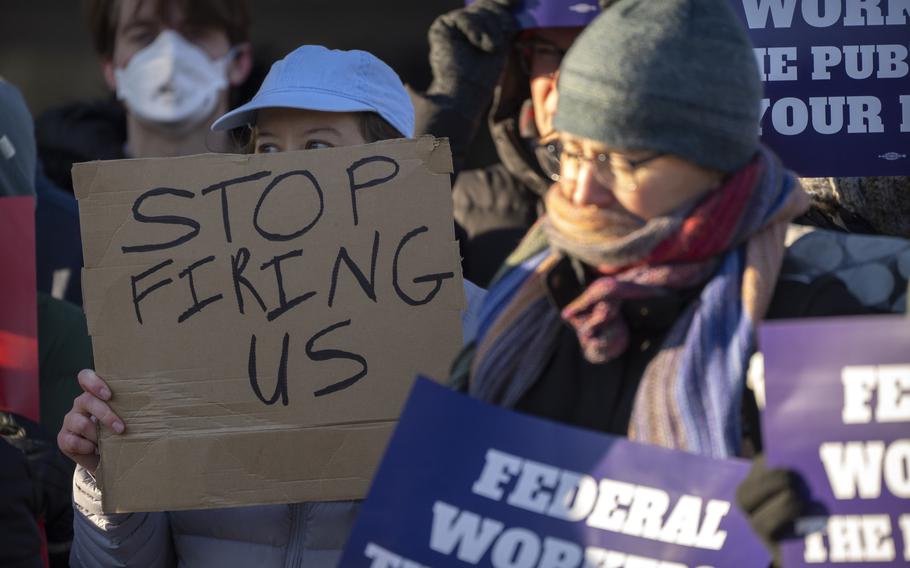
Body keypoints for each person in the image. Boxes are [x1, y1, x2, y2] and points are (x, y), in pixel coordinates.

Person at [448, 2, 873, 566]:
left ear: (715, 159)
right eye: (570, 151)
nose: (580, 191)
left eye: (619, 160)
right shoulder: (529, 295)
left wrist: (803, 542)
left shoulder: (816, 321)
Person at [60, 45, 484, 568]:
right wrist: (108, 479)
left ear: (389, 163)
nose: (283, 175)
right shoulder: (186, 312)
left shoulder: (473, 328)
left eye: (316, 147)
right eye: (266, 151)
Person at [413, 0, 601, 286]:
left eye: (591, 55)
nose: (566, 82)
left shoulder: (668, 203)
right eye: (551, 54)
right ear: (522, 65)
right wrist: (450, 106)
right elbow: (375, 263)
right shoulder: (464, 204)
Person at [36, 0, 254, 191]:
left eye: (195, 33)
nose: (170, 54)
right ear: (111, 69)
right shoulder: (55, 199)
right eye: (144, 36)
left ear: (238, 61)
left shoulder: (280, 188)